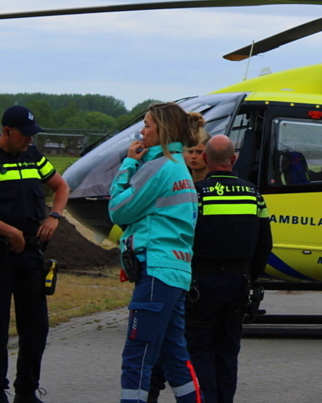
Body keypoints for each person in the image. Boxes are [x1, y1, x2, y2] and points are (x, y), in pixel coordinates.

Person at [0, 106, 70, 403]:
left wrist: (54, 217)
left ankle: (27, 390)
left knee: (36, 326)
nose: (29, 140)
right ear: (7, 131)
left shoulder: (33, 157)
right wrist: (9, 232)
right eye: (24, 135)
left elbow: (61, 186)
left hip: (30, 255)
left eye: (32, 134)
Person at [110, 103, 202, 403]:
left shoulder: (157, 166)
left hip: (155, 272)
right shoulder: (179, 167)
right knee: (175, 356)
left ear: (161, 129)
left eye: (147, 125)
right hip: (175, 273)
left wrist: (127, 165)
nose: (142, 131)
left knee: (138, 353)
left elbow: (118, 209)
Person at [186, 134, 272, 403]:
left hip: (201, 285)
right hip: (238, 283)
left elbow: (184, 239)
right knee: (228, 351)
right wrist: (250, 277)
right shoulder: (254, 195)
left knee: (200, 349)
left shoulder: (196, 195)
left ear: (205, 159)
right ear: (233, 159)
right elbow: (265, 244)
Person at [147, 112, 210, 402]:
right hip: (180, 274)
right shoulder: (179, 179)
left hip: (176, 274)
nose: (195, 157)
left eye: (200, 152)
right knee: (172, 349)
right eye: (192, 151)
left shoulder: (192, 185)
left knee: (166, 349)